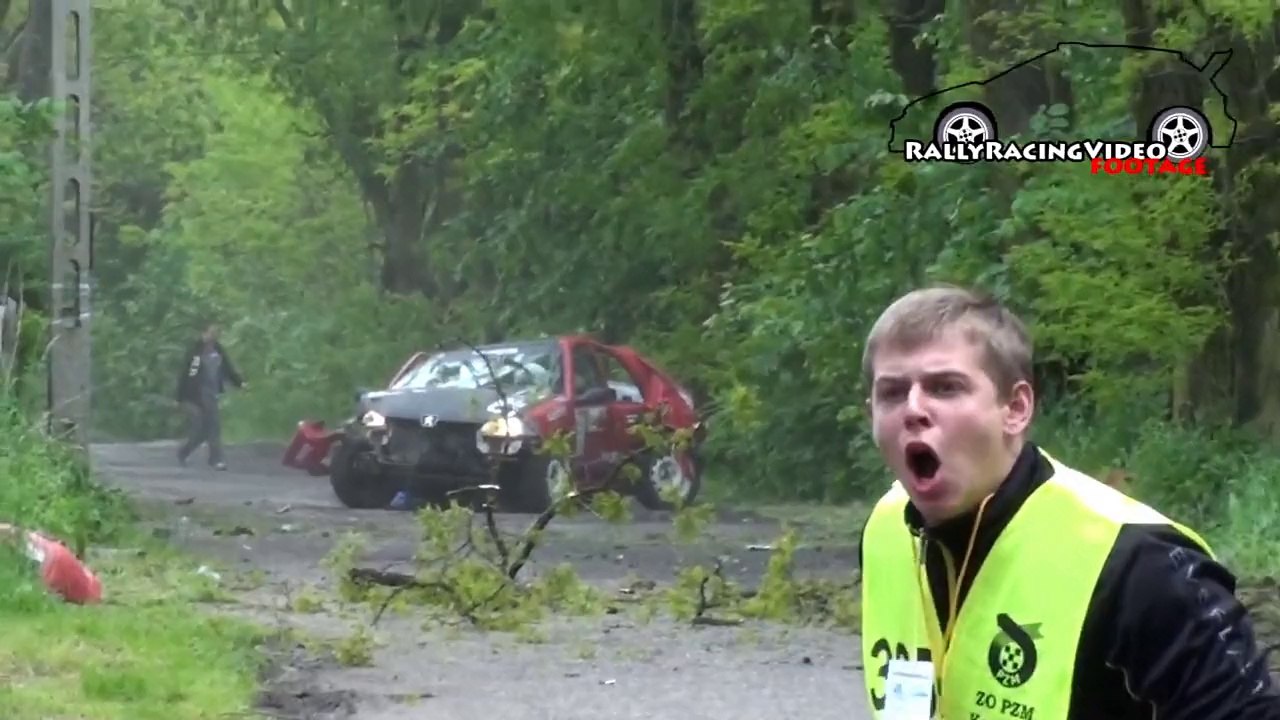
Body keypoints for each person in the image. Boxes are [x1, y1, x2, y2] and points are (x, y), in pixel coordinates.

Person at [856, 285, 1280, 720]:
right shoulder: (886, 531)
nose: (913, 409)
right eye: (892, 392)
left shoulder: (1139, 564)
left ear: (1016, 408)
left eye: (945, 387)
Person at [175, 322, 245, 470]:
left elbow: (227, 369)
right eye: (211, 332)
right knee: (208, 427)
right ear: (204, 333)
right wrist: (180, 398)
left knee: (209, 428)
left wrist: (239, 383)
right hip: (196, 395)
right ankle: (202, 456)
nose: (213, 336)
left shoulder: (218, 351)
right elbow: (187, 375)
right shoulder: (196, 353)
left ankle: (199, 455)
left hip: (212, 393)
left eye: (216, 333)